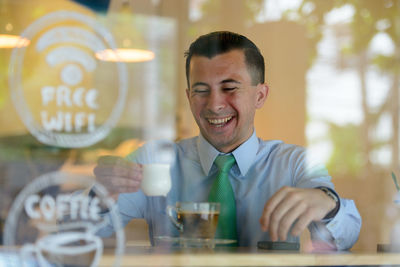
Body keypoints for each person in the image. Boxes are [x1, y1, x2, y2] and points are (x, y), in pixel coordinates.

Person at [94, 31, 361, 250]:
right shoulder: (154, 160)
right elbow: (83, 231)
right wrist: (100, 193)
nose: (215, 105)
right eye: (201, 91)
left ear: (260, 96)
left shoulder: (295, 163)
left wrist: (327, 204)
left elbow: (346, 236)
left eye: (229, 88)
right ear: (189, 97)